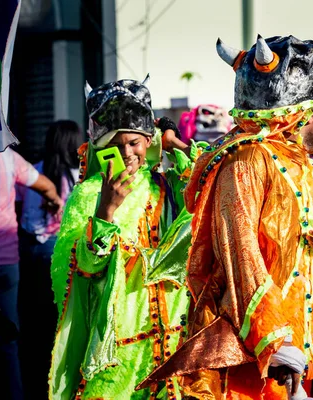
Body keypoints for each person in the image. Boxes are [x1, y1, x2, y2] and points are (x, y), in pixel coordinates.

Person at [140, 34, 313, 400]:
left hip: (301, 350)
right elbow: (240, 258)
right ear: (304, 112)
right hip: (256, 355)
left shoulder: (304, 166)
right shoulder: (247, 162)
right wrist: (275, 340)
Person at [48, 76, 203, 399]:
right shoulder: (89, 193)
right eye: (116, 145)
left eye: (134, 142)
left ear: (149, 140)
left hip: (175, 335)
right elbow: (83, 269)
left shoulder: (165, 185)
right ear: (100, 147)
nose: (127, 152)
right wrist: (106, 211)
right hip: (120, 342)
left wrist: (176, 144)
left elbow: (204, 194)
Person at [17, 120, 85, 396]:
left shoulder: (34, 171)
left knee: (36, 318)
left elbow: (25, 216)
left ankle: (35, 377)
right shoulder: (80, 176)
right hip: (64, 252)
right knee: (62, 317)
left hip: (33, 250)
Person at [0, 147, 62, 400]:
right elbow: (44, 186)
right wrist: (55, 201)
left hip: (6, 259)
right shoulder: (5, 156)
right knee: (8, 338)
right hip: (3, 260)